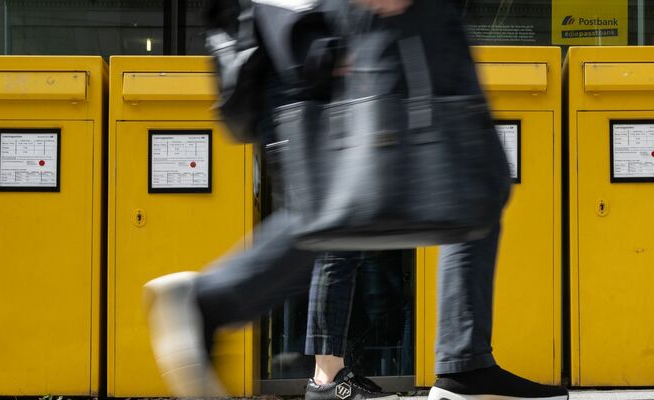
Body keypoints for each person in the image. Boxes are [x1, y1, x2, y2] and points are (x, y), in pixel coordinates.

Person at [143, 1, 569, 399]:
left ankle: (464, 361)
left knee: (432, 186)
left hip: (392, 22)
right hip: (384, 19)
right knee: (415, 186)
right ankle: (213, 299)